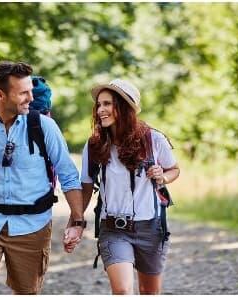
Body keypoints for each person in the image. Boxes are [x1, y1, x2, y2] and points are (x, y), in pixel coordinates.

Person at [0, 61, 86, 294]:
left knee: (27, 292)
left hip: (32, 225)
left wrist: (77, 221)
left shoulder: (44, 127)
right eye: (23, 93)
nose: (30, 98)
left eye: (31, 91)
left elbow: (68, 175)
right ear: (0, 94)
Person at [78, 79, 180, 294]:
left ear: (124, 107)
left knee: (149, 292)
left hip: (151, 228)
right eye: (99, 104)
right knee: (123, 290)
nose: (100, 110)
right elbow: (86, 185)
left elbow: (174, 170)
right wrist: (76, 221)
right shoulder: (95, 144)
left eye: (107, 104)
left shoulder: (153, 139)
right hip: (113, 228)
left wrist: (163, 177)